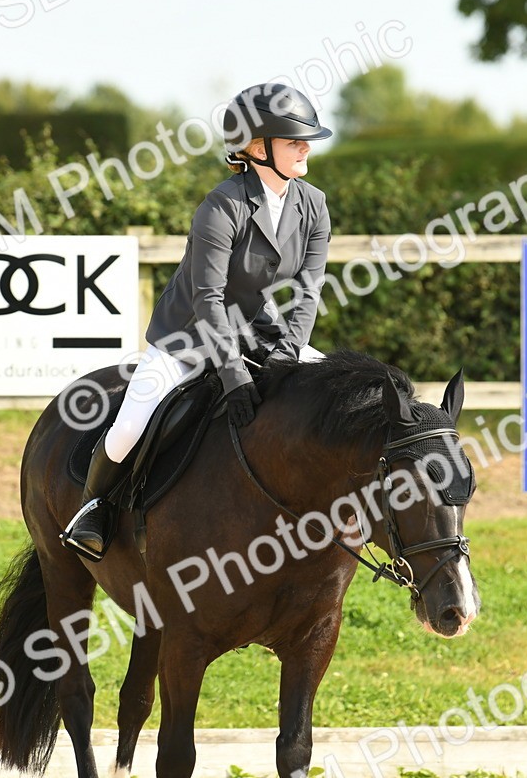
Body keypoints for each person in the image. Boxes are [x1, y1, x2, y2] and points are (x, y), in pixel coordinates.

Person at [62, 83, 334, 557]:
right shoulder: (222, 206)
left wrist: (288, 354)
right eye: (294, 140)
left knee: (335, 395)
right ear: (257, 149)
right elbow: (209, 297)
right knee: (128, 428)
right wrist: (233, 375)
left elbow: (309, 291)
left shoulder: (313, 204)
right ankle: (93, 510)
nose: (305, 147)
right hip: (187, 334)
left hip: (258, 329)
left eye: (305, 140)